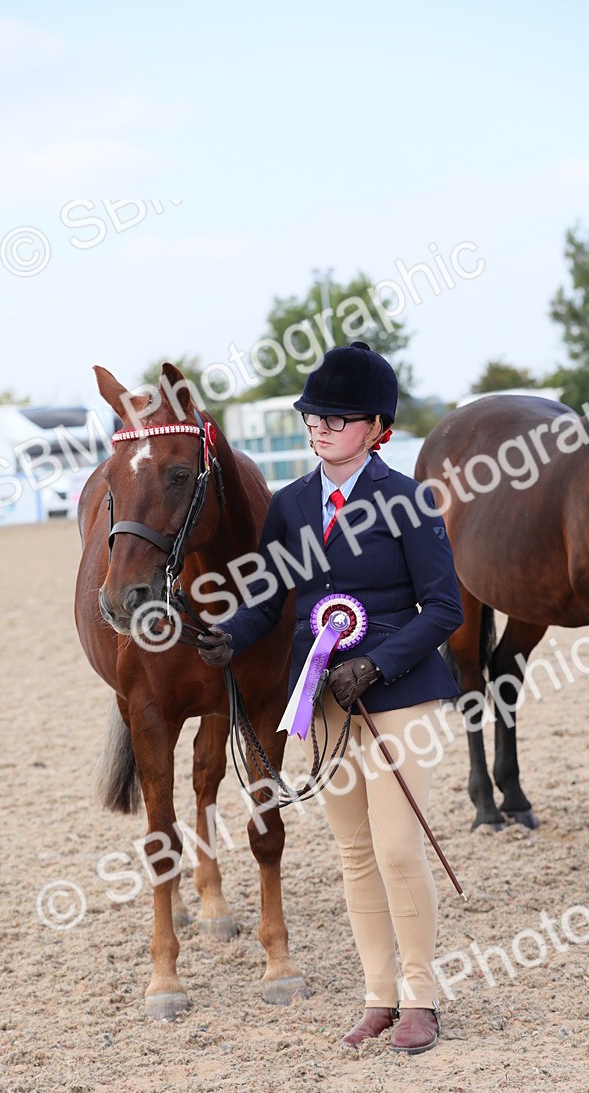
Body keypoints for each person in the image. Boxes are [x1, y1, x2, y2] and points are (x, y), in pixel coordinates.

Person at [198, 340, 463, 1054]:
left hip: (398, 695)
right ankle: (378, 996)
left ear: (377, 426)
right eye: (313, 416)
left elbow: (445, 609)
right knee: (353, 852)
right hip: (321, 700)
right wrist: (228, 633)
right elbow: (269, 602)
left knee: (399, 849)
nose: (318, 428)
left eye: (336, 419)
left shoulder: (408, 501)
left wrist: (375, 665)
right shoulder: (287, 507)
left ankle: (422, 999)